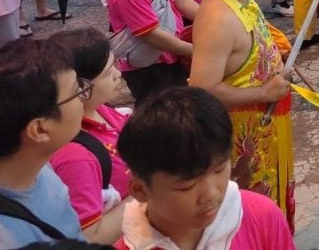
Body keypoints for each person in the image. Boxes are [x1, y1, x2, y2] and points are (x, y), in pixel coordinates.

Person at [188, 0, 296, 228]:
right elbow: (202, 88)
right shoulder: (218, 19)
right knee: (253, 215)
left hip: (268, 130)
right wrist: (262, 94)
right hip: (244, 137)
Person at [114, 86, 294, 249]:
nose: (211, 195)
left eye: (219, 169)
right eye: (187, 186)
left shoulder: (261, 215)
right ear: (139, 189)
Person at [0, 39, 85, 245]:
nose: (83, 97)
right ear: (40, 129)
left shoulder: (34, 164)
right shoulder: (1, 237)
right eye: (77, 91)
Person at [48, 29, 131, 244]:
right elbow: (90, 237)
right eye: (107, 72)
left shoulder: (102, 108)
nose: (118, 73)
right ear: (80, 88)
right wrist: (148, 192)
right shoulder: (75, 156)